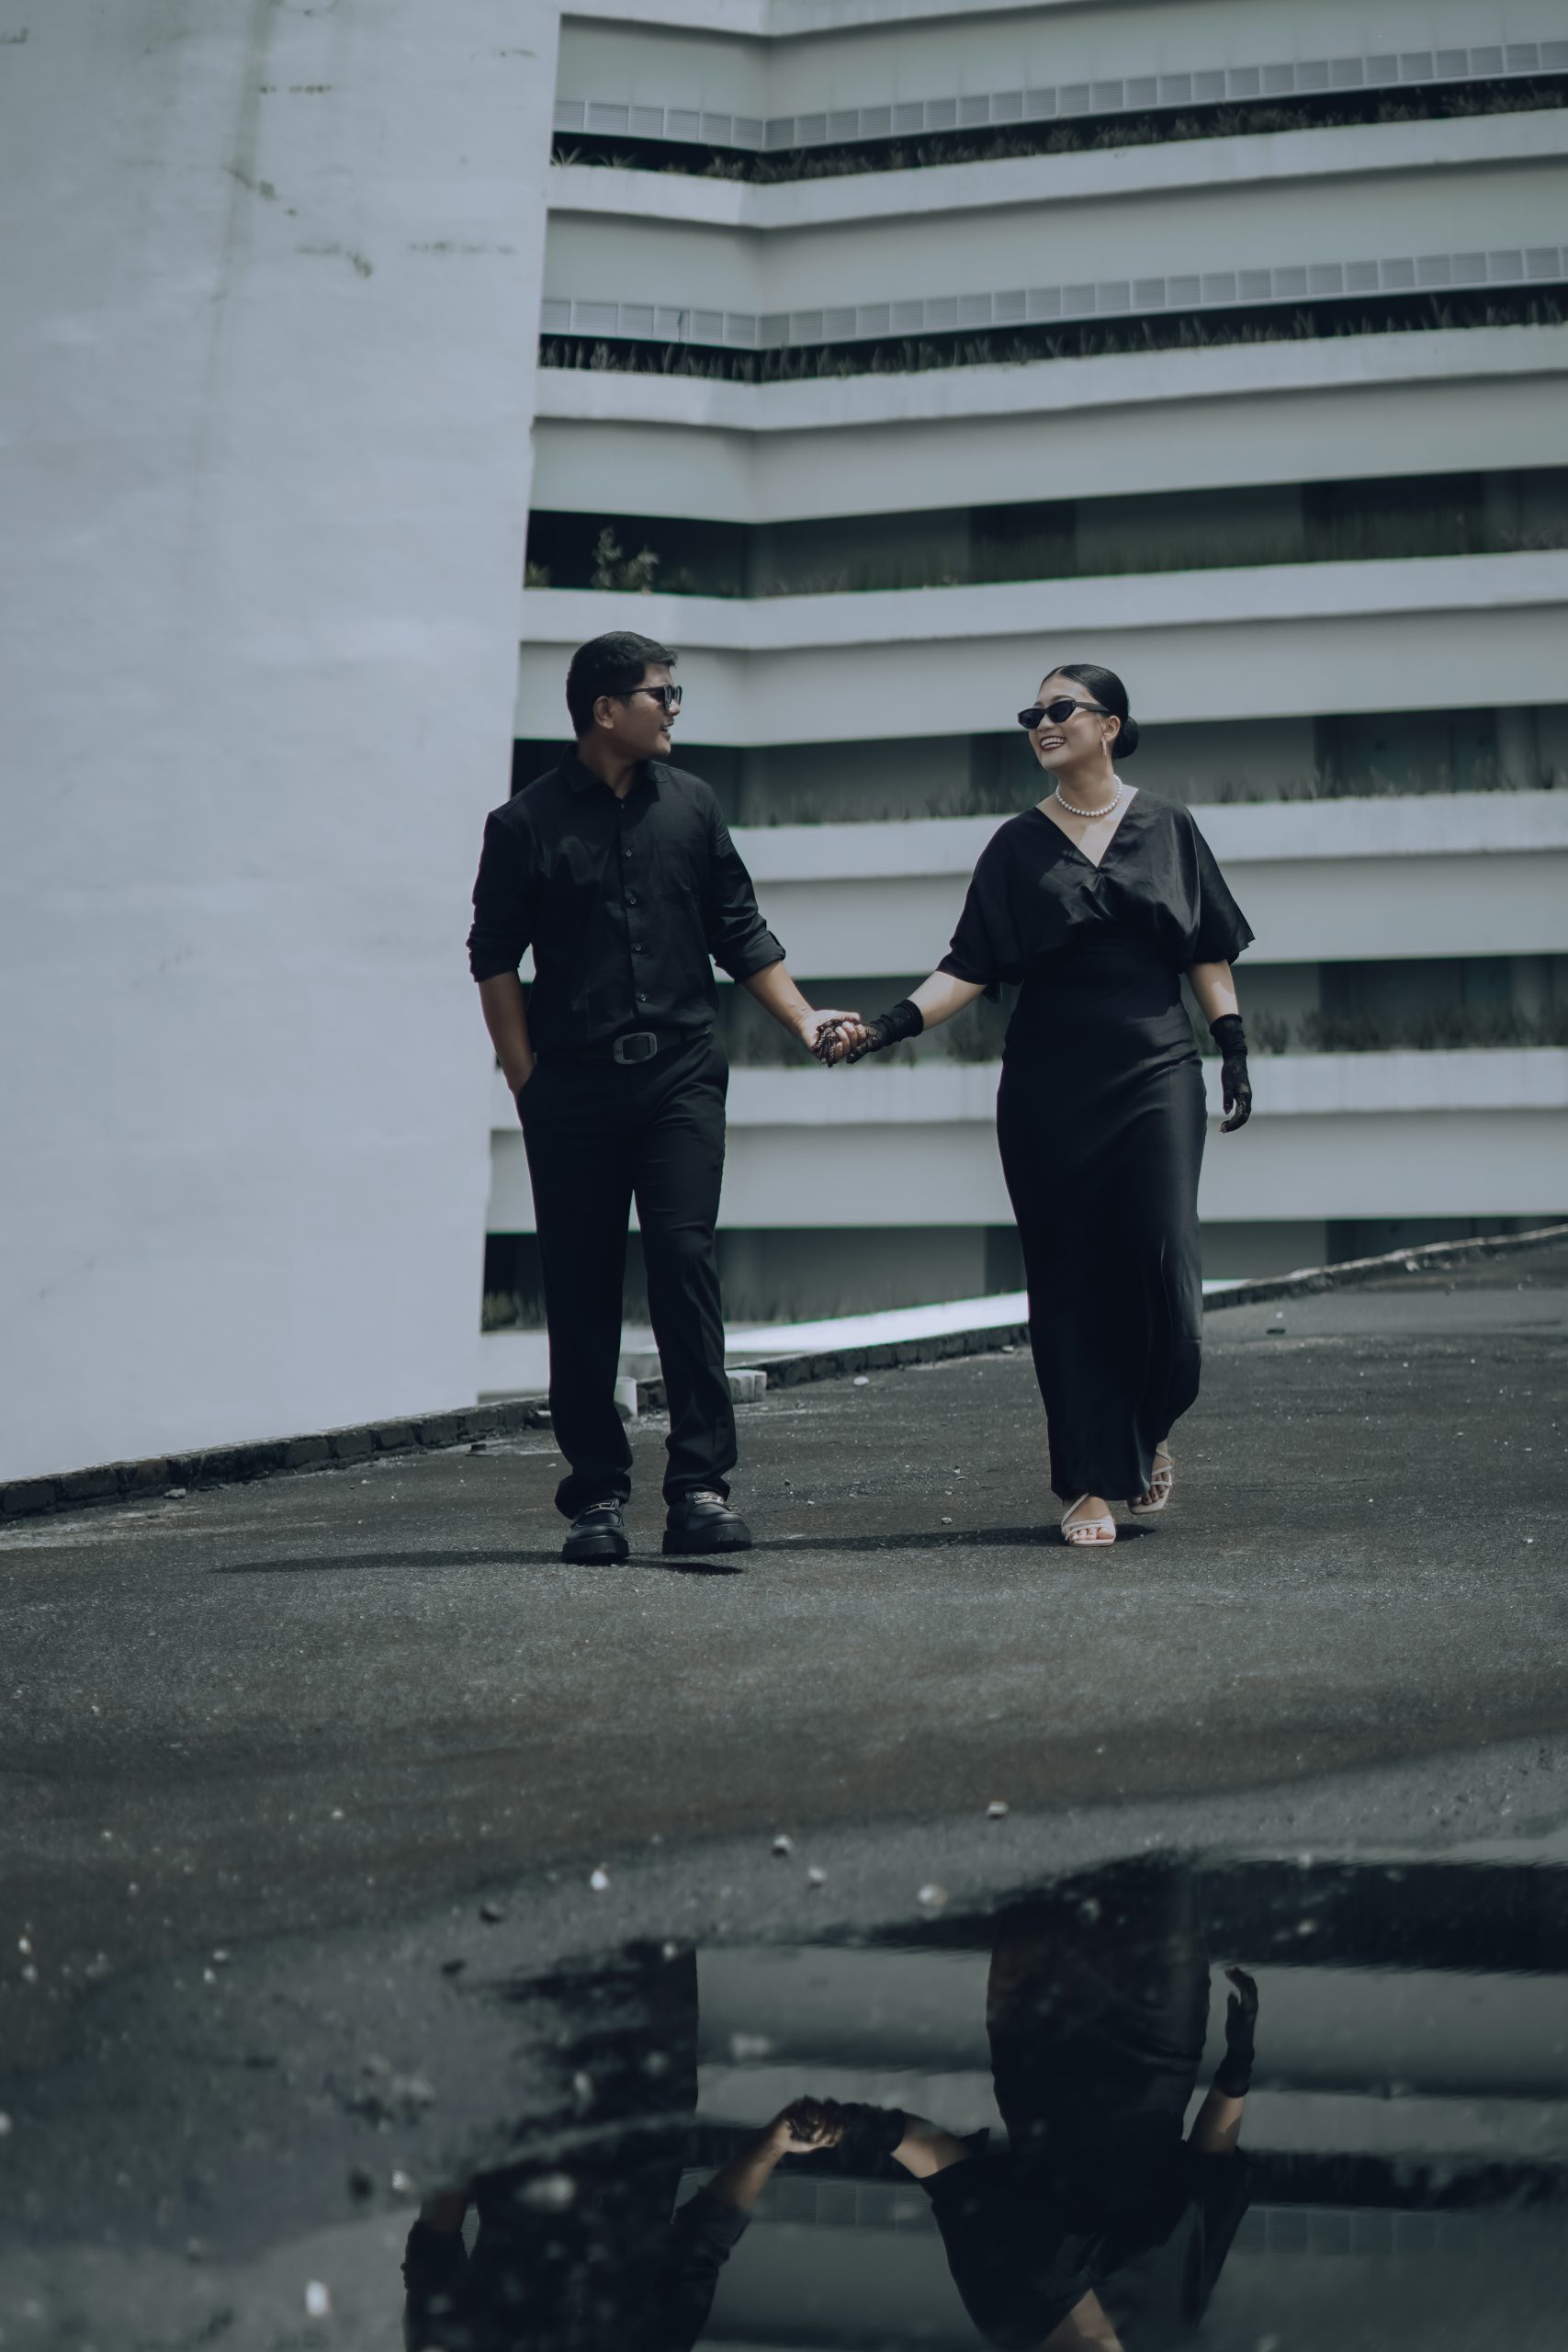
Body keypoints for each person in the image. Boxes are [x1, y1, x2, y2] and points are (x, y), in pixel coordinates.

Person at [825, 662, 1253, 1547]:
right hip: (1048, 1085)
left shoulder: (1168, 825)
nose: (1041, 724)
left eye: (1060, 709)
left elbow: (1205, 948)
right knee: (1067, 1281)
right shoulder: (1015, 846)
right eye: (1032, 714)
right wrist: (887, 1026)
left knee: (1164, 1267)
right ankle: (1087, 1481)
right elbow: (966, 967)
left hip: (1156, 1068)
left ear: (1110, 725)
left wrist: (1233, 1043)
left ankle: (1148, 1424)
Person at [468, 631, 857, 1563]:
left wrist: (803, 1019)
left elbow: (740, 931)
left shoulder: (692, 805)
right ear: (606, 710)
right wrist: (525, 1079)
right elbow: (493, 958)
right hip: (572, 1087)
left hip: (681, 1074)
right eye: (660, 693)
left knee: (684, 1263)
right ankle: (596, 1497)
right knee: (582, 1284)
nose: (674, 707)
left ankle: (700, 1489)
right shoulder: (522, 824)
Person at [822, 1860, 1258, 2350]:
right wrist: (1237, 2068)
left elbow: (948, 2173)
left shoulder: (1007, 2315)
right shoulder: (1167, 2325)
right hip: (1156, 2048)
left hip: (1034, 2041)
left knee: (1040, 1855)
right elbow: (1209, 2176)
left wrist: (855, 2125)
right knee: (1160, 1860)